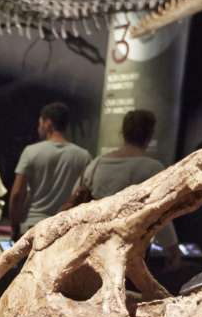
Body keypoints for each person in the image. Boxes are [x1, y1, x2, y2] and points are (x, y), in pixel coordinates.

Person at [62, 108, 179, 259]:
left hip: (93, 246)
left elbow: (75, 199)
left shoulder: (96, 163)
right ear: (149, 135)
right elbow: (159, 213)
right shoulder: (152, 168)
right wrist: (172, 248)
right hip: (131, 250)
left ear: (123, 133)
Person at [9, 101, 91, 239]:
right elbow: (84, 195)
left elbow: (17, 194)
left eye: (40, 123)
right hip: (65, 229)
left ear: (48, 124)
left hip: (33, 226)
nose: (38, 127)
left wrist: (15, 226)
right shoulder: (84, 156)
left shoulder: (31, 152)